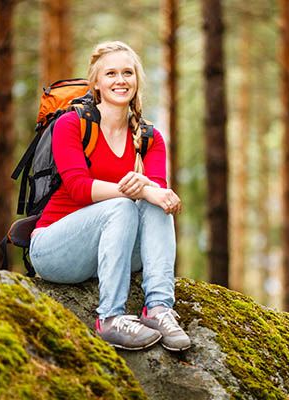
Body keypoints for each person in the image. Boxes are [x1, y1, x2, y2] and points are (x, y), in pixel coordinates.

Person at [29, 41, 190, 351]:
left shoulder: (150, 138)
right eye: (111, 73)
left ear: (137, 81)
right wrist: (137, 190)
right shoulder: (72, 124)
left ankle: (158, 309)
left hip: (114, 249)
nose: (120, 80)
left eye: (128, 73)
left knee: (156, 205)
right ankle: (110, 318)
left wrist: (152, 192)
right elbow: (77, 186)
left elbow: (156, 195)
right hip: (55, 249)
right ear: (97, 83)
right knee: (124, 204)